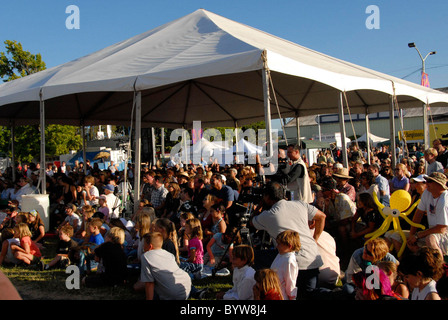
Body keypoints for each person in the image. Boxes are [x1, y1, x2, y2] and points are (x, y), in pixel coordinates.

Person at [250, 181, 326, 300]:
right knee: (310, 294)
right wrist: (314, 239)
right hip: (312, 258)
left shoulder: (268, 215)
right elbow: (322, 216)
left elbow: (252, 222)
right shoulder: (300, 204)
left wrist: (259, 206)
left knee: (254, 257)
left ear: (267, 197)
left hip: (289, 261)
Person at [407, 172, 448, 257]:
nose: (427, 183)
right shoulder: (427, 193)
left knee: (430, 239)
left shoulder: (444, 200)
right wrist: (412, 235)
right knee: (406, 241)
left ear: (439, 185)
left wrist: (417, 235)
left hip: (445, 234)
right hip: (433, 232)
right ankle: (425, 264)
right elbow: (418, 214)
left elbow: (441, 229)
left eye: (430, 181)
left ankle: (440, 266)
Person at [140, 232, 192, 300]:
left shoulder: (146, 256)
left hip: (172, 293)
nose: (143, 247)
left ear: (150, 246)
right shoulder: (169, 254)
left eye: (144, 245)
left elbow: (149, 283)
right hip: (186, 286)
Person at [270, 230, 301, 300]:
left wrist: (292, 297)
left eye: (279, 244)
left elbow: (290, 283)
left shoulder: (289, 261)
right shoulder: (280, 255)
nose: (277, 247)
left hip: (282, 296)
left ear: (289, 246)